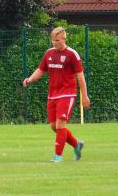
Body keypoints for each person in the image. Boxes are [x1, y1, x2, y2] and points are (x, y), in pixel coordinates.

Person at [22, 26, 91, 162]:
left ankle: (57, 156)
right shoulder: (49, 53)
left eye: (57, 40)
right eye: (53, 40)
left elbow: (80, 76)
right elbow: (41, 70)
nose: (55, 42)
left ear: (64, 39)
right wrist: (30, 79)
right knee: (54, 127)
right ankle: (77, 145)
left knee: (60, 125)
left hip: (67, 94)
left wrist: (84, 95)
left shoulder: (72, 54)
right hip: (52, 95)